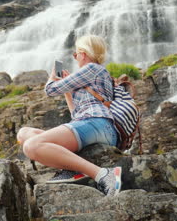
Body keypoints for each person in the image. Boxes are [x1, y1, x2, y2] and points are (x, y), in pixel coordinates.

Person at [16, 35, 122, 196]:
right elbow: (76, 115)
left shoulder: (91, 68)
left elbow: (50, 90)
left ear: (83, 53)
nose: (76, 58)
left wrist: (53, 77)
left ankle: (103, 174)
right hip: (90, 124)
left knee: (31, 146)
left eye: (76, 54)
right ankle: (72, 169)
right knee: (24, 134)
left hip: (97, 123)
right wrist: (68, 90)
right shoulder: (94, 74)